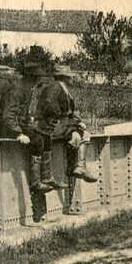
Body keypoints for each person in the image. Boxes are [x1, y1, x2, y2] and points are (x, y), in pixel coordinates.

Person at [0, 62, 65, 223]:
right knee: (37, 140)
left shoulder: (27, 89)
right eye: (38, 78)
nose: (39, 81)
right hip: (3, 127)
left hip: (14, 125)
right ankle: (36, 182)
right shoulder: (17, 90)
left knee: (44, 136)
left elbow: (23, 115)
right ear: (32, 78)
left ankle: (46, 177)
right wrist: (18, 134)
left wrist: (32, 124)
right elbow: (7, 116)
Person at [37, 64, 98, 205]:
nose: (71, 79)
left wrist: (78, 122)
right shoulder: (54, 88)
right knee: (78, 135)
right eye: (70, 77)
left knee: (82, 134)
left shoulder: (62, 88)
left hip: (60, 124)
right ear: (64, 77)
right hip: (53, 126)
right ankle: (78, 167)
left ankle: (78, 167)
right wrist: (72, 123)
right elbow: (50, 108)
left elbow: (70, 113)